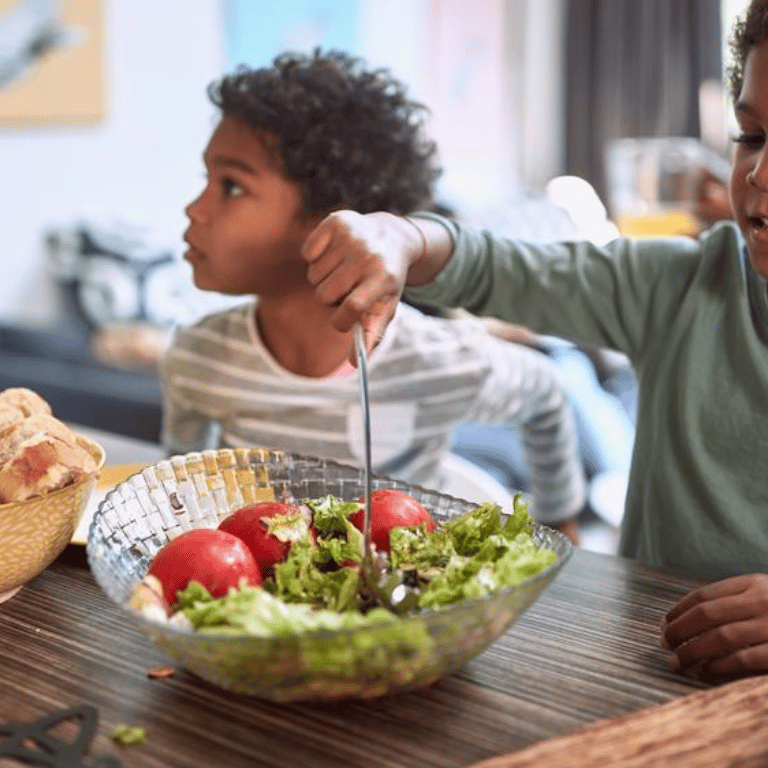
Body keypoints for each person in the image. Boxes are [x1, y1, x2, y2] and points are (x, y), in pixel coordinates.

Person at [297, 1, 768, 680]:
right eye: (751, 135)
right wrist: (403, 236)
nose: (757, 175)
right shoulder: (684, 284)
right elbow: (489, 265)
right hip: (651, 669)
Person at [161, 49, 587, 540]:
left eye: (231, 186)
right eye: (206, 180)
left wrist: (561, 520)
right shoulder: (197, 358)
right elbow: (178, 499)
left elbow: (547, 394)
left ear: (336, 223)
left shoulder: (441, 360)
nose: (195, 209)